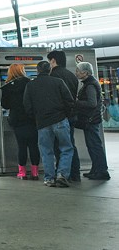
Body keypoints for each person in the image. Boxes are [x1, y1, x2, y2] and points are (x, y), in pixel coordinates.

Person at [23, 61, 74, 187]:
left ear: (37, 71)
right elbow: (69, 101)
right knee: (66, 148)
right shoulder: (58, 82)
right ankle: (62, 174)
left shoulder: (31, 85)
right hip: (60, 120)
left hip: (42, 123)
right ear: (49, 70)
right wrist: (65, 115)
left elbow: (27, 105)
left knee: (46, 151)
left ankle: (49, 178)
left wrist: (36, 117)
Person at [0, 64, 40, 180]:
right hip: (32, 119)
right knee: (33, 146)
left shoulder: (7, 87)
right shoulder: (31, 83)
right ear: (22, 71)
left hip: (17, 120)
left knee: (21, 146)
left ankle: (22, 173)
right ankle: (35, 172)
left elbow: (5, 105)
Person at [47, 50, 81, 181]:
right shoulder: (72, 75)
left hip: (57, 117)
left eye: (50, 61)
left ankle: (62, 174)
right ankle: (75, 174)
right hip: (71, 115)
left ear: (53, 60)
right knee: (70, 145)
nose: (49, 63)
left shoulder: (53, 76)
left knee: (58, 147)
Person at [74, 62, 110, 181]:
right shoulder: (90, 83)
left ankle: (101, 171)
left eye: (78, 71)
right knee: (92, 146)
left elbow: (92, 103)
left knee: (94, 146)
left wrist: (75, 102)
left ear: (85, 73)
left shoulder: (90, 85)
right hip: (92, 120)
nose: (76, 73)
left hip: (91, 120)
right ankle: (96, 169)